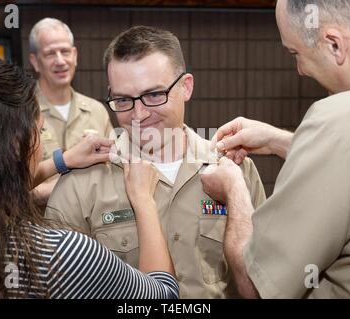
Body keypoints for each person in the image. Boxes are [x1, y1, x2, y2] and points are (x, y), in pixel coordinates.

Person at [45, 26, 267, 298]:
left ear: (186, 87)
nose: (139, 114)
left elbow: (265, 276)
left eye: (153, 95)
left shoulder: (235, 170)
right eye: (124, 99)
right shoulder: (80, 184)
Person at [0, 57, 178, 299]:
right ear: (20, 144)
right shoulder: (62, 255)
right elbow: (162, 296)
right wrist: (143, 200)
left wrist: (61, 161)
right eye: (40, 130)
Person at [201, 0, 350, 298]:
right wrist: (282, 141)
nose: (300, 70)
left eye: (296, 53)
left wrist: (234, 190)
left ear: (334, 44)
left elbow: (256, 285)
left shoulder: (336, 119)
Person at [28, 18, 113, 204]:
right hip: (41, 228)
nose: (60, 61)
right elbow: (7, 187)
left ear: (75, 55)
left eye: (65, 51)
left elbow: (113, 170)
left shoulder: (97, 111)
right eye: (50, 53)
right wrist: (62, 191)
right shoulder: (22, 112)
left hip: (90, 228)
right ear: (35, 61)